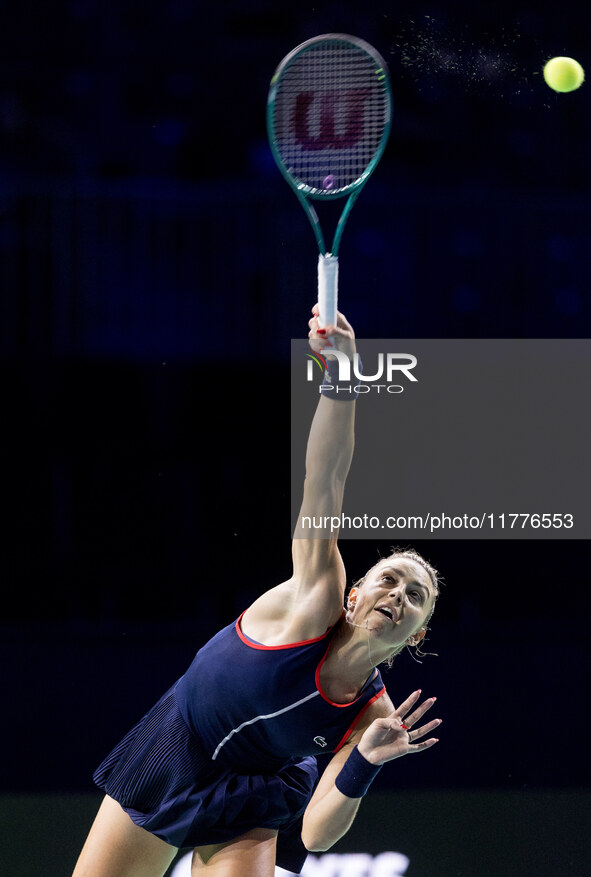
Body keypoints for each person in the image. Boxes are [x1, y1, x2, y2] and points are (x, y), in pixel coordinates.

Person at [72, 306, 441, 877]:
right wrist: (340, 382)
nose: (398, 594)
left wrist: (367, 759)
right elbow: (325, 480)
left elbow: (317, 834)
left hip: (254, 791)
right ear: (353, 596)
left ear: (418, 634)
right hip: (176, 746)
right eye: (388, 578)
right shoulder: (316, 597)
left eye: (416, 597)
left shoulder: (374, 715)